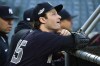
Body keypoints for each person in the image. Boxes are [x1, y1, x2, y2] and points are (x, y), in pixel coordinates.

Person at [9, 2, 89, 66]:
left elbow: (50, 55)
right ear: (43, 19)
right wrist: (70, 35)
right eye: (53, 14)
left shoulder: (34, 35)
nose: (59, 17)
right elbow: (81, 40)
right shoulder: (43, 37)